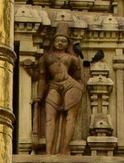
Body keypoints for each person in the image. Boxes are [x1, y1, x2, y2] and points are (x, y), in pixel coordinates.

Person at [31, 21, 84, 155]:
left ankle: (64, 148)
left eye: (63, 41)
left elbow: (78, 76)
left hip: (71, 85)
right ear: (53, 42)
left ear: (68, 44)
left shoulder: (72, 58)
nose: (60, 43)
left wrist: (80, 88)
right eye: (58, 40)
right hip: (53, 85)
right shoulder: (46, 57)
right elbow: (42, 77)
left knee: (70, 117)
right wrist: (39, 96)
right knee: (50, 118)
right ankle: (49, 151)